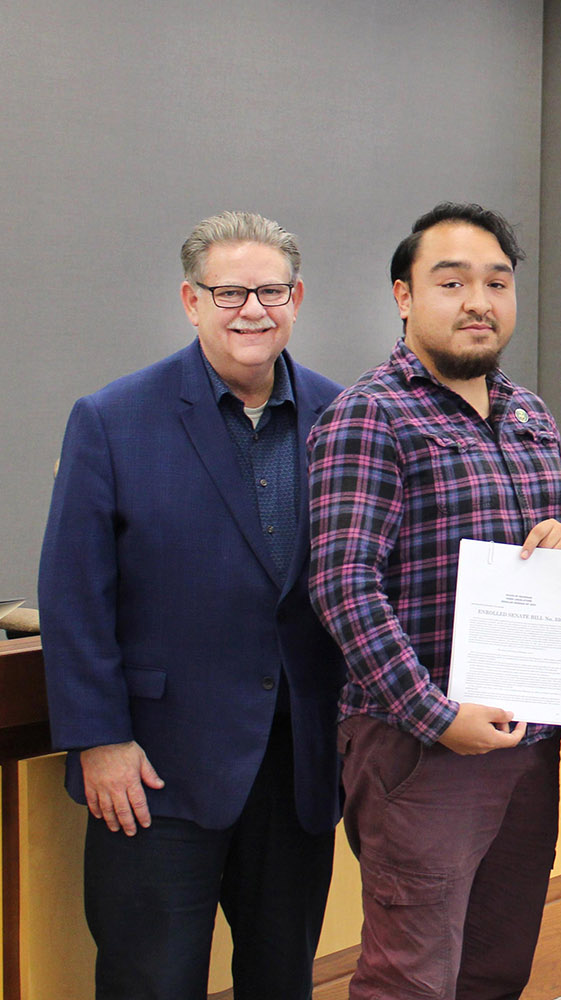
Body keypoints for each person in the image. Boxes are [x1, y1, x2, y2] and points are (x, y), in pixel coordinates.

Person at [39, 211, 344, 998]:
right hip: (155, 770)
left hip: (297, 765)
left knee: (281, 980)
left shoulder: (341, 417)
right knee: (152, 980)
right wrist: (98, 738)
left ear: (297, 298)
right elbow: (73, 594)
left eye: (271, 291)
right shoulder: (112, 419)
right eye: (230, 291)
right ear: (190, 300)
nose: (253, 309)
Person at [308, 202, 561, 1000]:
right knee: (412, 975)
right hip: (420, 750)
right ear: (404, 295)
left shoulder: (529, 414)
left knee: (497, 965)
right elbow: (342, 585)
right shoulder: (369, 416)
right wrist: (439, 717)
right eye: (452, 281)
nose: (479, 299)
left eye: (496, 281)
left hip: (526, 742)